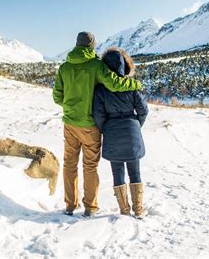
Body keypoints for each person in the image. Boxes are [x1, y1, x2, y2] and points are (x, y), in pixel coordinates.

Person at [52, 32, 142, 217]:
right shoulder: (96, 65)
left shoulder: (64, 67)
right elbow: (115, 84)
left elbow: (57, 97)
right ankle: (90, 208)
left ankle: (70, 205)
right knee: (90, 166)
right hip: (89, 124)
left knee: (69, 164)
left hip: (69, 123)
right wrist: (136, 86)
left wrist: (71, 107)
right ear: (92, 46)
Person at [92, 47, 149, 219]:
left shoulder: (100, 90)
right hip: (131, 129)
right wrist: (135, 125)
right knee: (135, 172)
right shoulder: (131, 88)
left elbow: (98, 115)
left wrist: (106, 129)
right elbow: (143, 111)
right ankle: (138, 209)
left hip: (111, 130)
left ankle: (124, 210)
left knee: (117, 172)